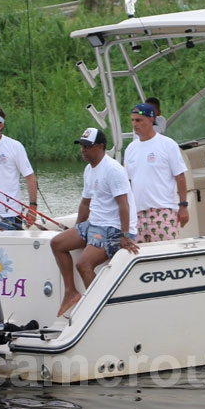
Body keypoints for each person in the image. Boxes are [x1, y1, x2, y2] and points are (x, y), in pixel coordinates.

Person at [50, 127, 138, 317]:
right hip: (94, 224)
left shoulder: (113, 169)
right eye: (81, 145)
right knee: (57, 243)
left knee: (83, 264)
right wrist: (77, 228)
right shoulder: (89, 169)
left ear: (100, 147)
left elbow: (124, 205)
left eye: (87, 146)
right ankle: (71, 292)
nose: (83, 149)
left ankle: (100, 309)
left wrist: (125, 235)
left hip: (113, 228)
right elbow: (85, 203)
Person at [125, 103, 188, 242]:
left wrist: (183, 206)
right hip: (138, 214)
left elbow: (180, 177)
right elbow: (128, 183)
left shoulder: (168, 144)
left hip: (163, 211)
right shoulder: (130, 149)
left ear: (151, 120)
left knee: (167, 254)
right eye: (133, 120)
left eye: (139, 120)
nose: (135, 124)